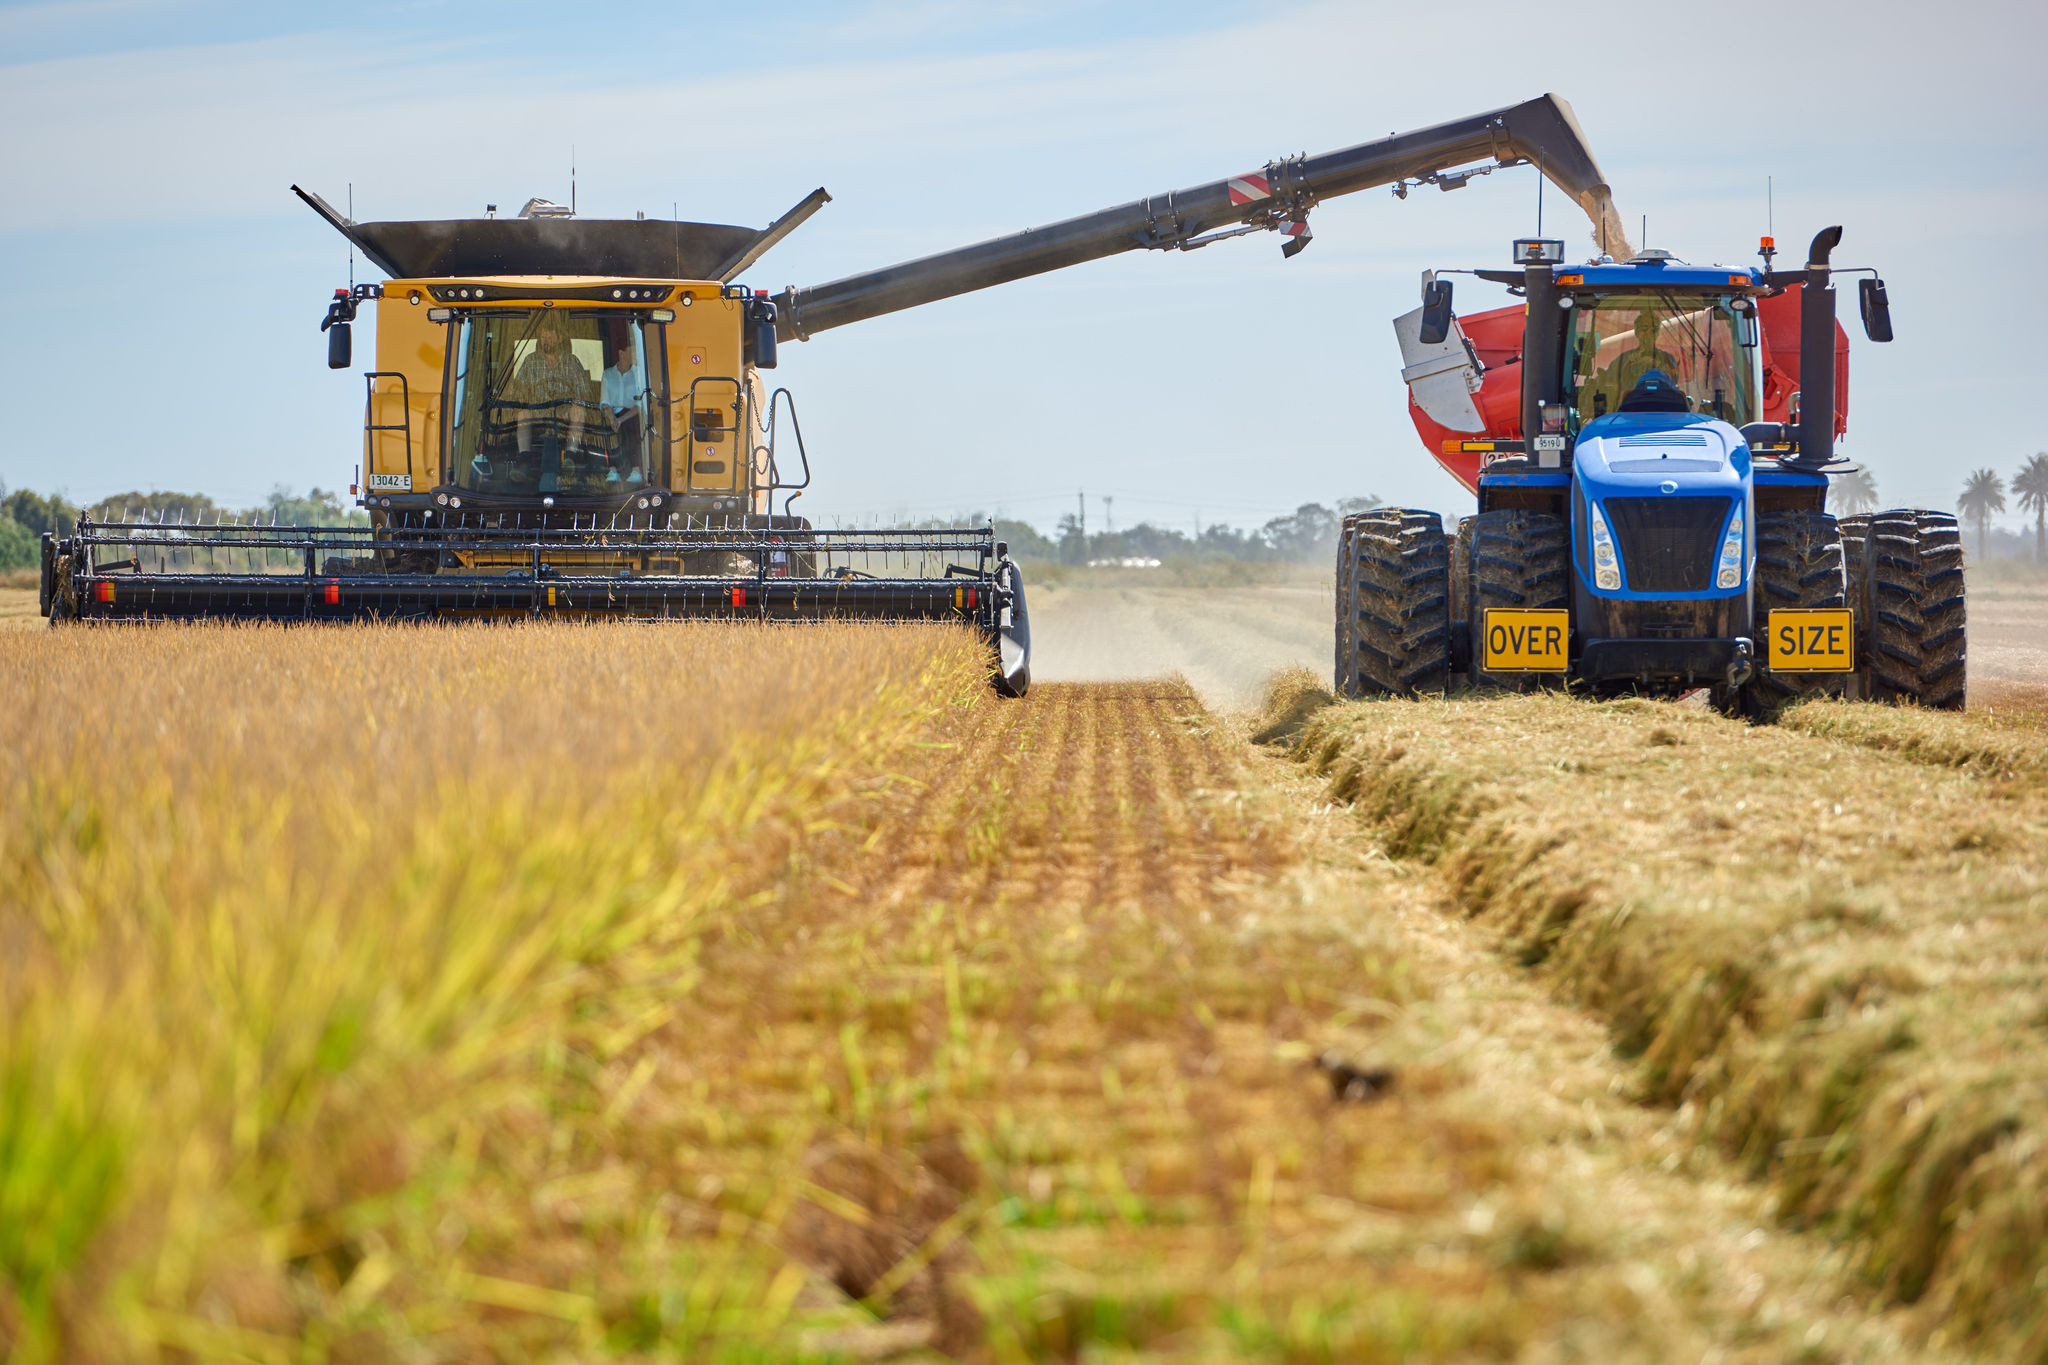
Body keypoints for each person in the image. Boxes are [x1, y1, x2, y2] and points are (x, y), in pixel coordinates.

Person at [1584, 309, 1686, 418]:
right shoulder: (1623, 360)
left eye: (1654, 329)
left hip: (1665, 412)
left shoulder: (1668, 359)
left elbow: (1673, 380)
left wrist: (1654, 363)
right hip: (1629, 412)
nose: (1649, 333)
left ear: (1658, 333)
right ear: (1637, 332)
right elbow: (1608, 381)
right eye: (1645, 329)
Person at [510, 323, 593, 457]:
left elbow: (583, 392)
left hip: (564, 413)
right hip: (538, 412)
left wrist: (572, 404)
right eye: (543, 337)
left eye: (549, 337)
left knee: (578, 411)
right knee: (522, 414)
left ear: (560, 339)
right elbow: (518, 388)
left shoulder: (572, 361)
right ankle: (524, 458)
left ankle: (570, 456)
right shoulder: (530, 361)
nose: (545, 341)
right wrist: (522, 397)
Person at [600, 323, 646, 482]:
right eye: (631, 351)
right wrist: (612, 418)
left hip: (632, 413)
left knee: (631, 426)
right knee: (606, 427)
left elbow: (640, 404)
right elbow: (604, 401)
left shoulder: (639, 374)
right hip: (612, 412)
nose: (634, 354)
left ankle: (635, 470)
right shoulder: (608, 374)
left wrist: (620, 420)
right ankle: (612, 470)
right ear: (621, 353)